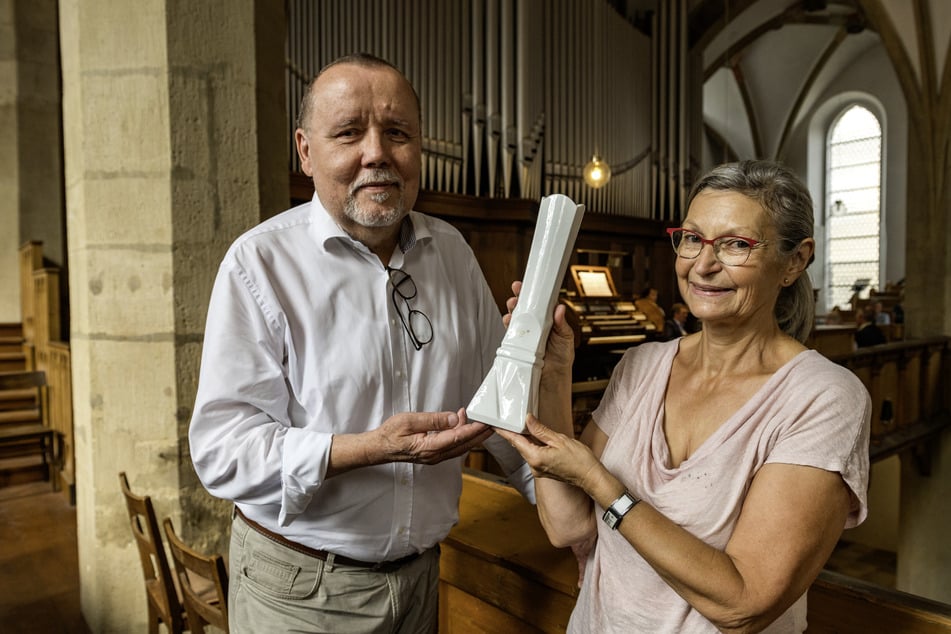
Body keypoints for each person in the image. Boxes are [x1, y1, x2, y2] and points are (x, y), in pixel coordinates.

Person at [188, 53, 533, 634]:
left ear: (418, 148)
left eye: (396, 132)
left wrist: (571, 514)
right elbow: (223, 451)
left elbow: (500, 409)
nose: (377, 152)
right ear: (305, 150)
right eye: (349, 132)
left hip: (422, 579)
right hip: (300, 590)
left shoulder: (452, 254)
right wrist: (368, 448)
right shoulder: (260, 263)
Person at [497, 160, 871, 632]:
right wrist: (553, 375)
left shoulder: (824, 397)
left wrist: (602, 484)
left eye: (736, 244)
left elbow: (745, 603)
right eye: (692, 238)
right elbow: (568, 527)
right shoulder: (642, 365)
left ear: (794, 261)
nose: (704, 265)